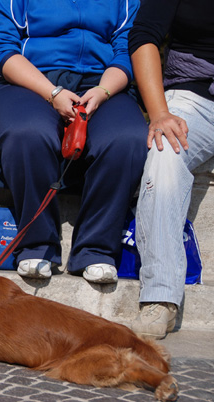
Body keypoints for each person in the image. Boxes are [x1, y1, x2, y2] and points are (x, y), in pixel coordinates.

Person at [0, 0, 148, 283]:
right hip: (29, 81)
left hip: (102, 84)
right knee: (28, 132)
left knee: (127, 138)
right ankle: (36, 245)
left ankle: (96, 249)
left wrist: (102, 91)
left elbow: (128, 49)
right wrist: (52, 93)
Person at [128, 0, 214, 339]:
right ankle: (161, 296)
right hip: (194, 98)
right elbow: (144, 36)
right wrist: (160, 113)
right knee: (165, 152)